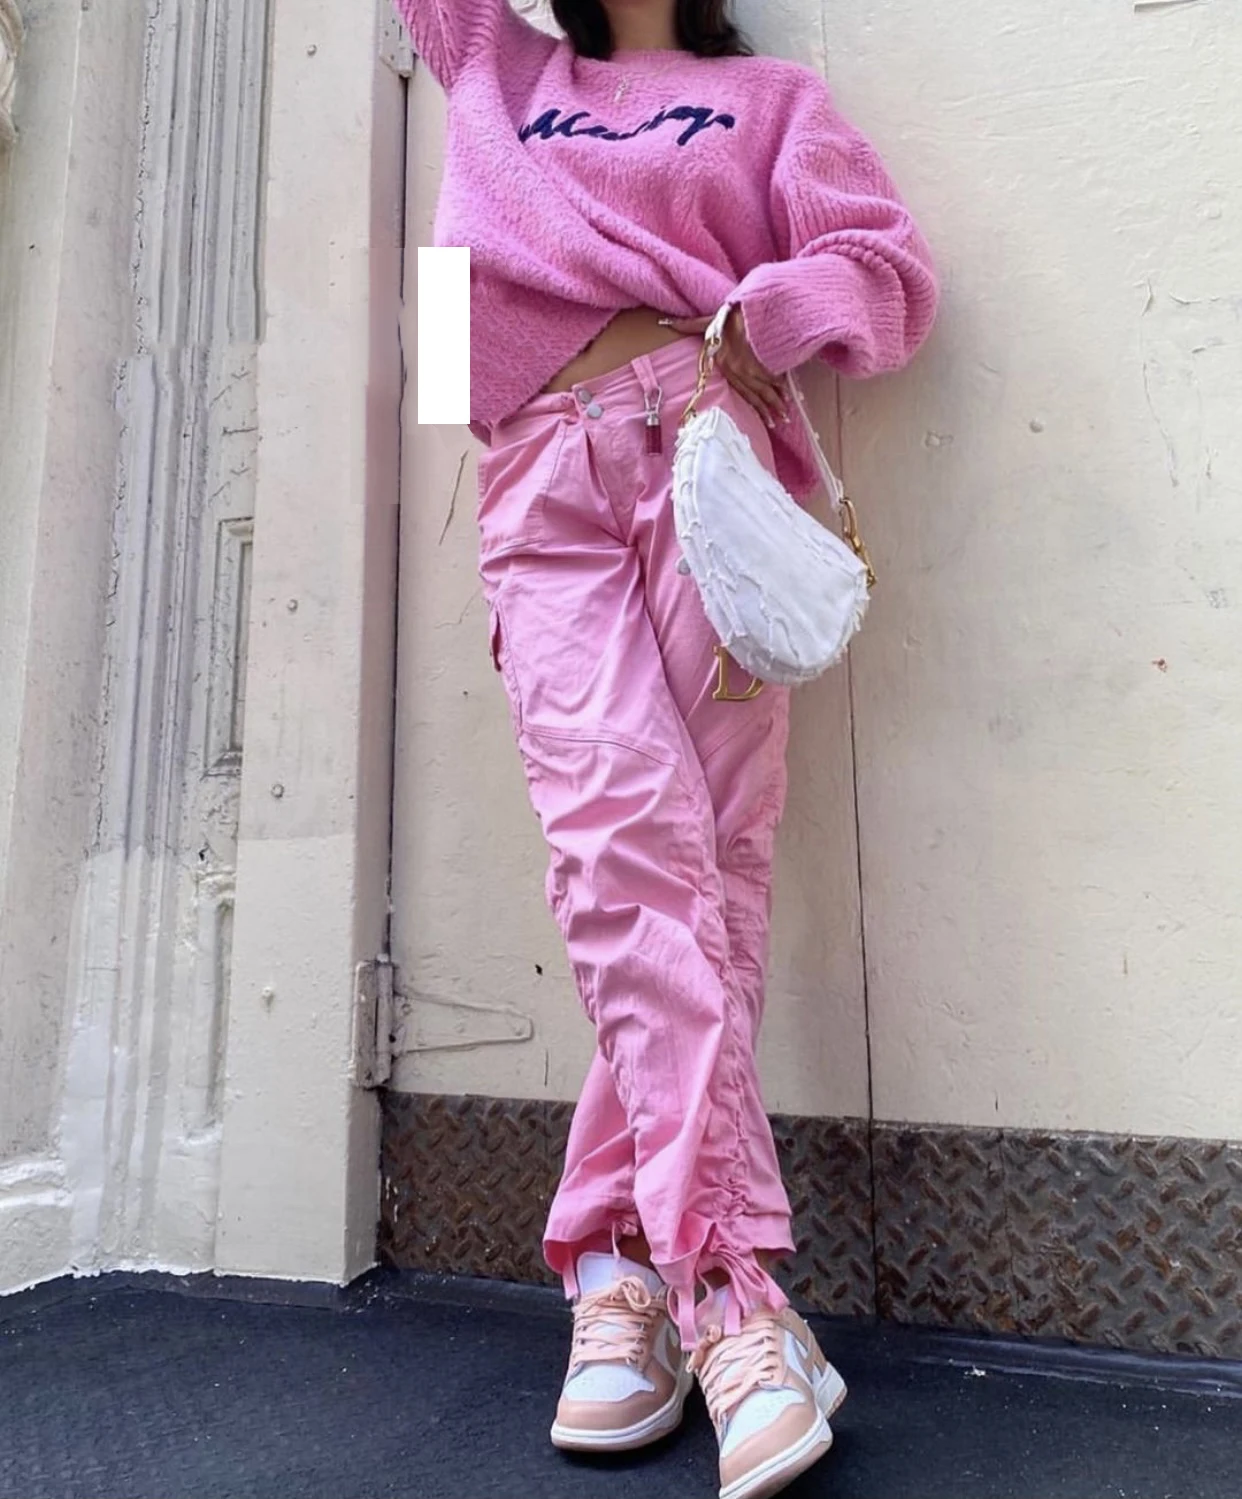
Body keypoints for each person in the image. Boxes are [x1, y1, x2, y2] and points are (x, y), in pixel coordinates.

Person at [394, 1, 938, 1494]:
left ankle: (620, 1269)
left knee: (705, 879)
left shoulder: (770, 99)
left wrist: (765, 316)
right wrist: (455, 364)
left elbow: (888, 275)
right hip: (536, 478)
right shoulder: (494, 66)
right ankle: (736, 1299)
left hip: (706, 460)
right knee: (617, 850)